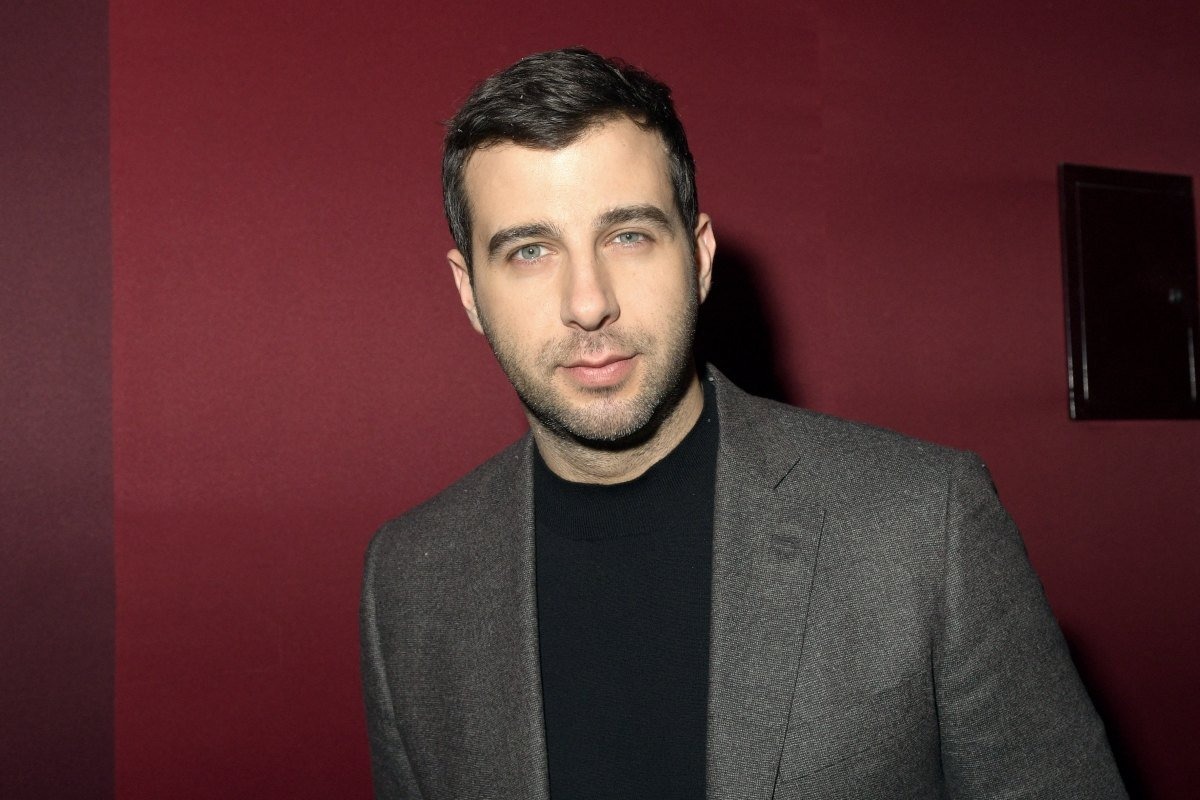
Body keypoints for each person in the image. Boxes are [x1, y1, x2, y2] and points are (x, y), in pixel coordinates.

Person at [359, 48, 1126, 799]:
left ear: (698, 258)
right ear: (468, 290)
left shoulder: (926, 523)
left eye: (628, 236)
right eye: (530, 251)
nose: (588, 303)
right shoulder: (408, 579)